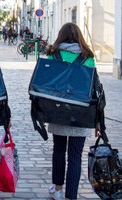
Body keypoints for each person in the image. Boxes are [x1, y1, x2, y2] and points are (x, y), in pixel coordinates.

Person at [43, 23, 104, 200]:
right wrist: (98, 120)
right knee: (75, 156)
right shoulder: (88, 58)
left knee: (59, 150)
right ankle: (71, 196)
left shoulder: (53, 55)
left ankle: (58, 189)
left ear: (61, 36)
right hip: (81, 111)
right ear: (79, 37)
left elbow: (46, 82)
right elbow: (96, 90)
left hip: (58, 110)